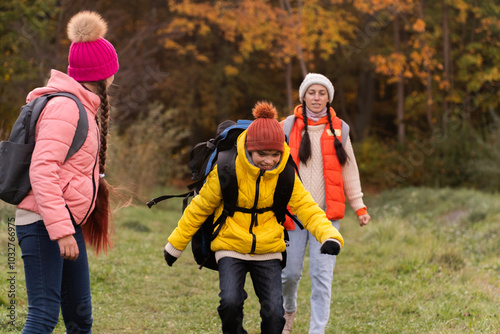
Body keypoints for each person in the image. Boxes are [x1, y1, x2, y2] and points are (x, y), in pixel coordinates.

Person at [163, 101, 344, 334]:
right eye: (262, 154)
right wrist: (175, 245)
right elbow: (200, 208)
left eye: (275, 154)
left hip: (269, 249)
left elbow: (308, 208)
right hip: (230, 245)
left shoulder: (286, 173)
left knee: (274, 314)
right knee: (230, 304)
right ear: (249, 148)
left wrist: (329, 235)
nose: (269, 161)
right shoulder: (227, 169)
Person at [15, 11, 118, 333]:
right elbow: (42, 170)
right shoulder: (66, 107)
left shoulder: (80, 104)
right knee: (44, 315)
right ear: (102, 72)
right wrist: (60, 231)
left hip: (61, 222)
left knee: (79, 316)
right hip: (44, 223)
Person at [281, 73, 371, 334]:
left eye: (322, 93)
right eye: (312, 92)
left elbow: (349, 170)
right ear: (303, 96)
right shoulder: (286, 126)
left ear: (329, 98)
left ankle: (317, 330)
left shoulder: (340, 128)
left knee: (321, 277)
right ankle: (288, 311)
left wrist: (359, 206)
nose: (317, 97)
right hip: (293, 215)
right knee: (288, 274)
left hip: (327, 216)